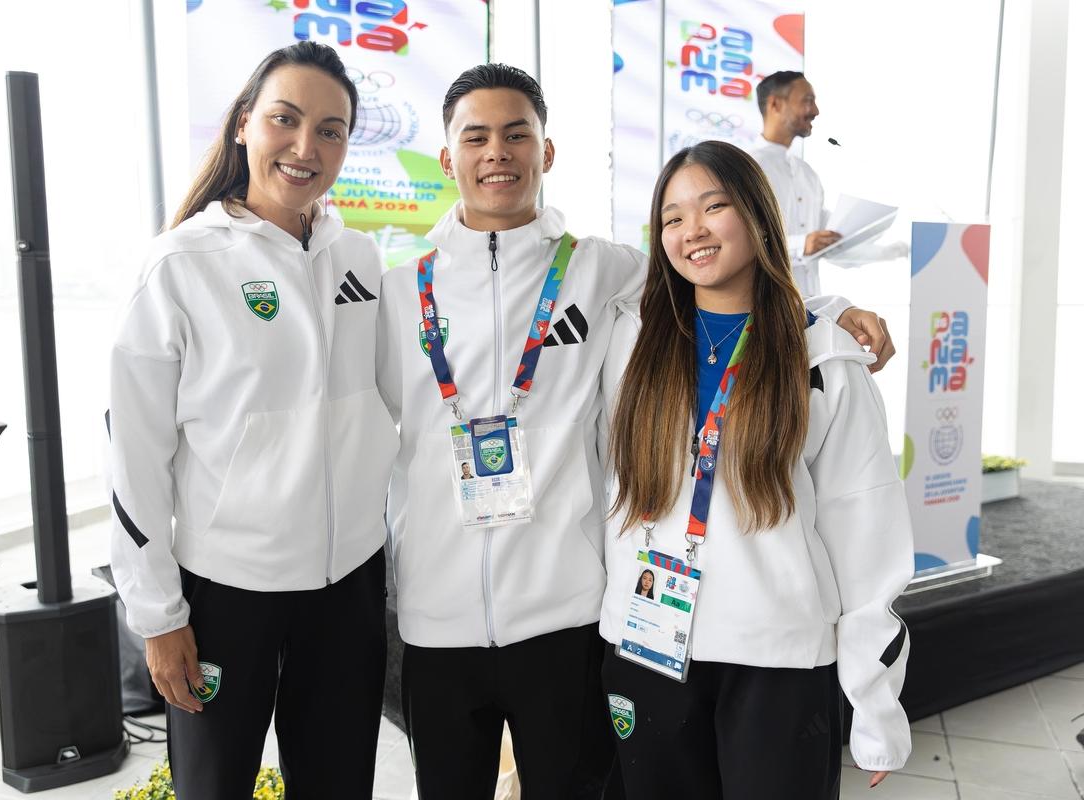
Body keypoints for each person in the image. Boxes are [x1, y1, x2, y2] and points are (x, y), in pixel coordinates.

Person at [376, 63, 896, 798]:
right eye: (478, 136)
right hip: (441, 621)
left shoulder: (604, 275)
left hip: (568, 619)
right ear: (448, 156)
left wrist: (830, 310)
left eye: (518, 134)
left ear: (546, 152)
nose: (498, 152)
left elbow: (718, 281)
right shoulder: (398, 294)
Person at [108, 42, 397, 799]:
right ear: (244, 125)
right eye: (285, 119)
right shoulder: (182, 264)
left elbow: (402, 403)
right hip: (226, 591)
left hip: (349, 584)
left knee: (338, 786)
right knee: (215, 787)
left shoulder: (361, 260)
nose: (307, 147)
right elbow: (135, 455)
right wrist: (159, 615)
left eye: (331, 130)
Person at [599, 140, 913, 798]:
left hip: (778, 659)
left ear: (760, 216)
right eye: (674, 218)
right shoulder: (629, 342)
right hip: (649, 647)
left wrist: (875, 702)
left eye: (715, 207)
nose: (694, 231)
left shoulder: (824, 363)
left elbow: (868, 541)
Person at [749, 71, 841, 297]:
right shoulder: (747, 168)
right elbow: (743, 241)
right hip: (764, 309)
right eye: (807, 101)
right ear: (775, 104)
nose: (816, 111)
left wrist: (899, 250)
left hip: (811, 311)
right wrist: (801, 246)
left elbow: (830, 238)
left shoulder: (807, 174)